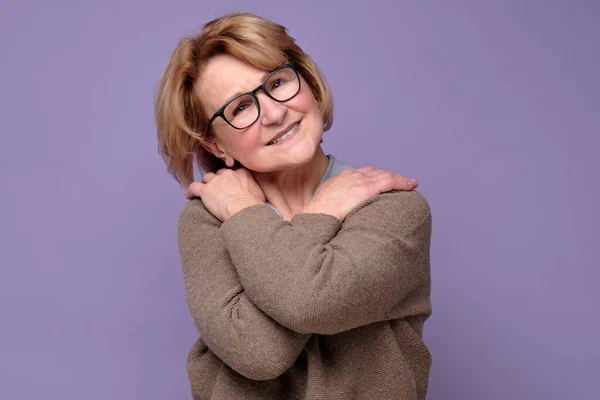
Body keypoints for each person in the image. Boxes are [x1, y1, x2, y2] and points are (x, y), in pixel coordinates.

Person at [155, 12, 433, 400]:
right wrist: (319, 211)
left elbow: (311, 302)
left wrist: (258, 212)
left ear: (309, 85)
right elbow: (259, 354)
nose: (273, 112)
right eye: (239, 109)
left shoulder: (393, 209)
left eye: (278, 82)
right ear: (216, 146)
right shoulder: (206, 221)